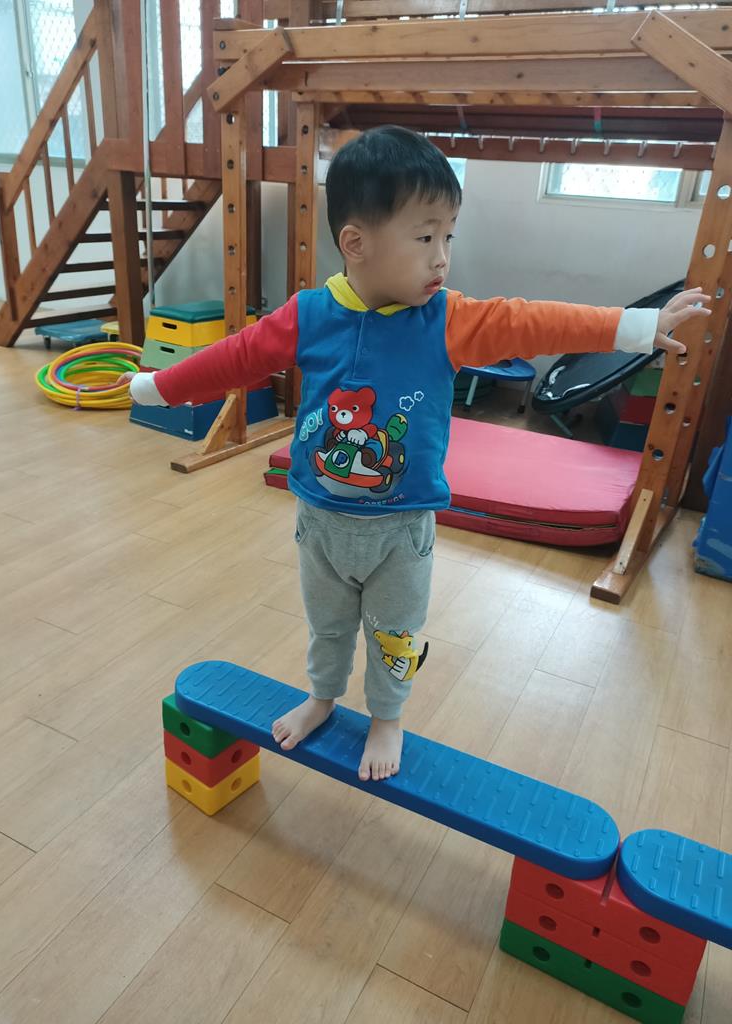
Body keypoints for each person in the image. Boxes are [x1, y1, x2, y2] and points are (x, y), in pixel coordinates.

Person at [121, 126, 710, 783]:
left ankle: (388, 715)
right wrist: (158, 386)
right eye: (426, 237)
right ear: (356, 244)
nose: (443, 258)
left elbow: (535, 320)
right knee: (327, 627)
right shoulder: (309, 315)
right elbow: (234, 357)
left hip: (402, 529)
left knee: (395, 633)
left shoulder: (447, 319)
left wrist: (637, 326)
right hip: (320, 521)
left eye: (449, 236)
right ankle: (322, 697)